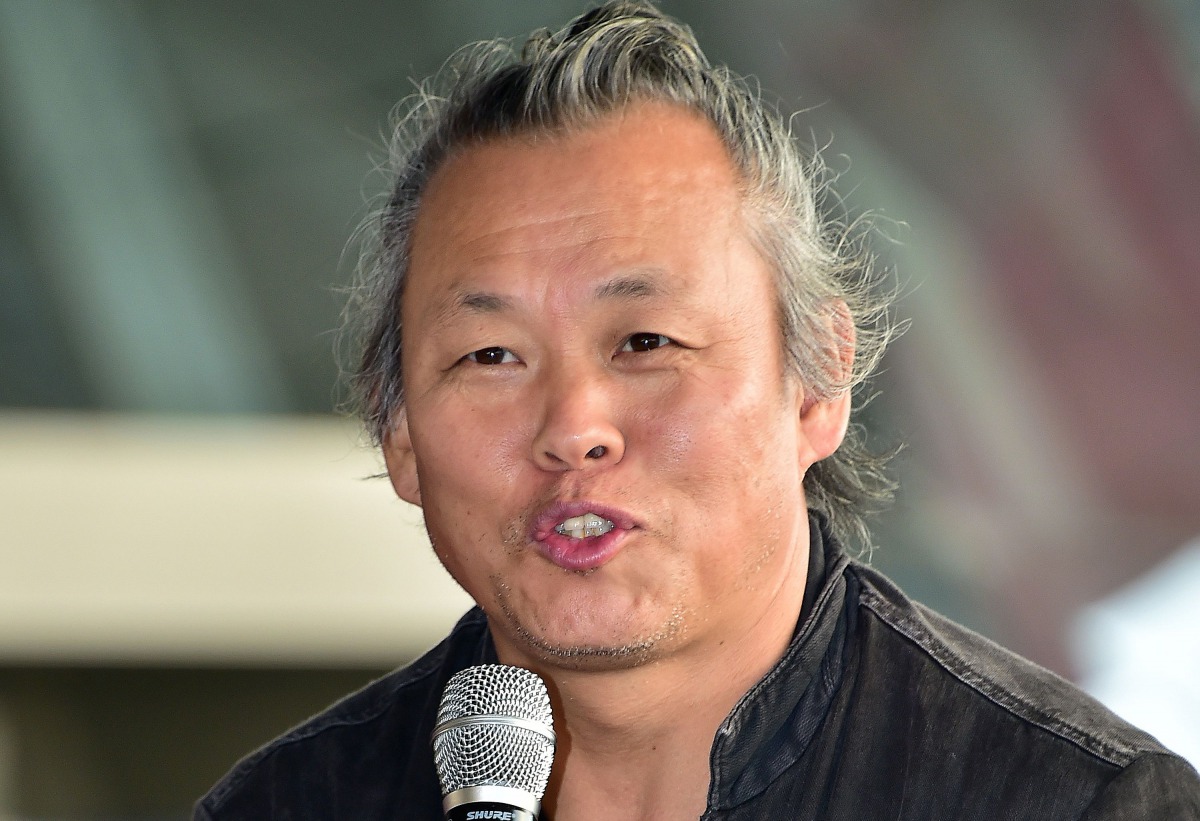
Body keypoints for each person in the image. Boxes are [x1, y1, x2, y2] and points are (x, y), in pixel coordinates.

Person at [195, 3, 1200, 819]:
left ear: (817, 383)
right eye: (491, 354)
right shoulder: (289, 806)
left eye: (646, 343)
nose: (574, 424)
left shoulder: (1064, 802)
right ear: (400, 432)